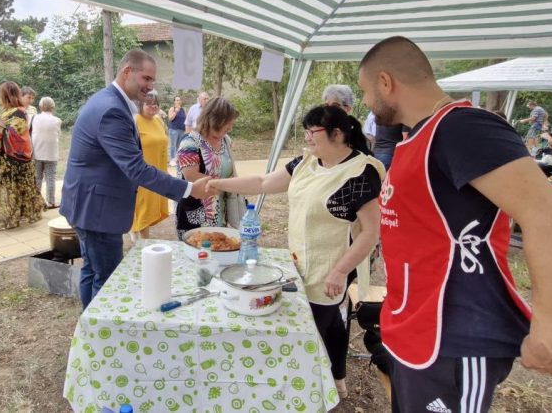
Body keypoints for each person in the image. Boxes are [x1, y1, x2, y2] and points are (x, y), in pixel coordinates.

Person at [357, 36, 552, 412]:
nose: (366, 102)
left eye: (365, 91)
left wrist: (550, 335)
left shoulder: (462, 128)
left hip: (454, 339)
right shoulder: (419, 135)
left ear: (386, 82)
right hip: (416, 330)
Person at [208, 105, 385, 399]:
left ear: (337, 134)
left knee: (315, 326)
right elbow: (263, 182)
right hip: (298, 261)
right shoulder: (306, 162)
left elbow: (370, 232)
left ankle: (309, 391)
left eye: (311, 131)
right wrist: (217, 183)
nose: (307, 138)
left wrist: (340, 271)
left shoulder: (360, 174)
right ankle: (337, 379)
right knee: (330, 324)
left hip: (331, 266)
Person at [60, 49, 212, 309]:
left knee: (91, 270)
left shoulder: (109, 101)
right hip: (97, 210)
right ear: (127, 71)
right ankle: (99, 333)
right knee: (105, 278)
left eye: (152, 81)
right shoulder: (112, 110)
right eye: (146, 78)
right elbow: (136, 168)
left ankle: (88, 324)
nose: (149, 86)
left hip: (86, 204)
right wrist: (188, 189)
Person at [175, 97, 240, 239]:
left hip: (220, 211)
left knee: (218, 251)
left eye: (231, 123)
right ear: (214, 120)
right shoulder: (189, 142)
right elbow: (192, 177)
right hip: (196, 215)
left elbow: (228, 171)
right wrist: (231, 185)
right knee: (197, 255)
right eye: (227, 123)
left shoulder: (225, 140)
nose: (230, 128)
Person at [0, 81, 45, 230]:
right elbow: (0, 132)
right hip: (6, 156)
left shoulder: (19, 111)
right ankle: (16, 215)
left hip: (17, 156)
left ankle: (12, 217)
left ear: (5, 96)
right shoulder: (7, 112)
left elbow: (14, 133)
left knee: (15, 187)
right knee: (11, 187)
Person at [131, 91, 170, 239]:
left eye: (156, 104)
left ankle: (136, 230)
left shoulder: (159, 120)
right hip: (142, 171)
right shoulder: (135, 121)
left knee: (151, 203)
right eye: (149, 104)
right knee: (144, 205)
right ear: (140, 104)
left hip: (159, 169)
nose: (153, 106)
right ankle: (143, 241)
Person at [31, 96, 62, 209]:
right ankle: (51, 202)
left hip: (37, 152)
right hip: (51, 153)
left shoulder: (34, 118)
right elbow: (58, 134)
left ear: (40, 106)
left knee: (37, 178)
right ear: (53, 107)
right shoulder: (57, 120)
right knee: (50, 178)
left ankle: (36, 202)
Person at [167, 95, 186, 166]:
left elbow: (185, 119)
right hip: (174, 129)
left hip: (181, 130)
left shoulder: (183, 110)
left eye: (179, 100)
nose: (178, 101)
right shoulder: (172, 108)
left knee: (179, 146)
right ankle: (172, 160)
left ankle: (177, 159)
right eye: (176, 100)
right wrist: (175, 111)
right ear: (174, 101)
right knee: (173, 145)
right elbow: (170, 118)